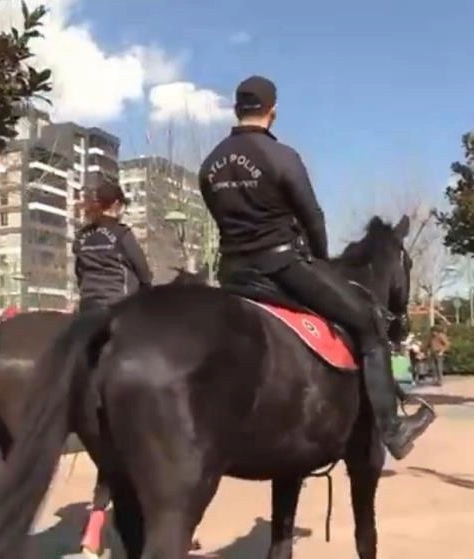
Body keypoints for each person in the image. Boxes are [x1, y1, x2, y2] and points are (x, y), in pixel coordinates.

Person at [197, 75, 435, 460]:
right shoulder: (282, 157)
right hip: (281, 267)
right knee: (369, 325)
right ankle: (393, 428)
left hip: (233, 274)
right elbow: (313, 216)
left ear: (236, 109)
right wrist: (322, 264)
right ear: (272, 111)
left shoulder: (209, 165)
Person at [73, 183, 153, 311]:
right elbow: (141, 268)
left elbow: (79, 272)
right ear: (116, 205)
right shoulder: (122, 233)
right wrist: (147, 287)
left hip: (88, 306)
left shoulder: (82, 236)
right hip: (120, 306)